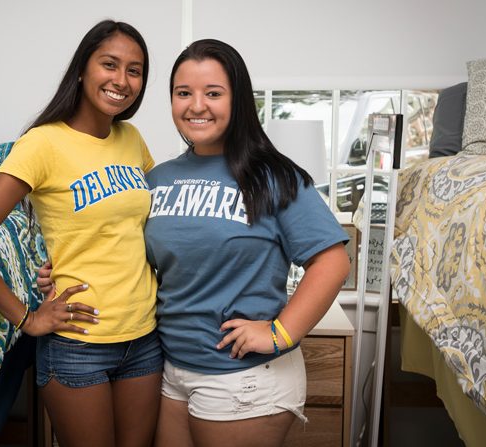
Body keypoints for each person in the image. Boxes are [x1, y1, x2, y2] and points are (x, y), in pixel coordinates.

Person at [38, 38, 351, 447]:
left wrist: (280, 333)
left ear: (237, 100)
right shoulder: (157, 178)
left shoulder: (274, 176)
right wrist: (62, 271)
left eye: (213, 93)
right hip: (172, 372)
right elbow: (132, 254)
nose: (196, 105)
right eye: (183, 93)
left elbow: (332, 262)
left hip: (243, 379)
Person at [0, 20, 162, 447]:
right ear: (83, 69)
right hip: (79, 346)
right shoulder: (42, 144)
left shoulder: (131, 138)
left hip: (144, 337)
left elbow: (153, 225)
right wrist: (27, 318)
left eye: (134, 71)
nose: (122, 80)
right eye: (110, 64)